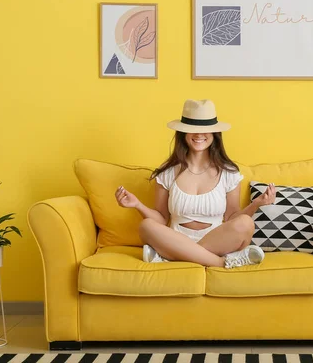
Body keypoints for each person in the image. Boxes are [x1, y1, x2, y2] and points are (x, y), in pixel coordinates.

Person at [114, 99, 276, 269]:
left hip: (217, 242)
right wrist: (137, 204)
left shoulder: (229, 172)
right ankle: (221, 262)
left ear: (215, 134)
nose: (199, 135)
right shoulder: (167, 172)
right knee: (146, 226)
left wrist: (257, 203)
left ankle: (172, 257)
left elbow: (231, 219)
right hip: (176, 240)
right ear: (183, 133)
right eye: (192, 130)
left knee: (246, 223)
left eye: (205, 130)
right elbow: (161, 220)